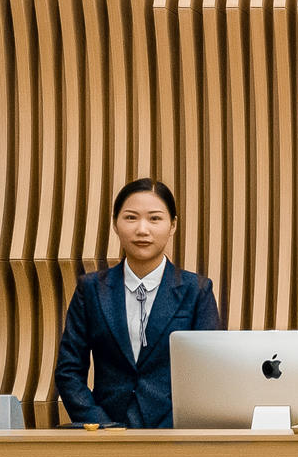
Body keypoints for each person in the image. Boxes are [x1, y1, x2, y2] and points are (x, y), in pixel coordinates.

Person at [54, 178, 224, 427]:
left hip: (174, 433)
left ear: (172, 225)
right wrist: (101, 425)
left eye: (154, 218)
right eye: (131, 218)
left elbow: (208, 372)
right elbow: (69, 371)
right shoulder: (91, 289)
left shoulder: (196, 290)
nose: (142, 229)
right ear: (115, 223)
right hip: (106, 432)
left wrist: (173, 428)